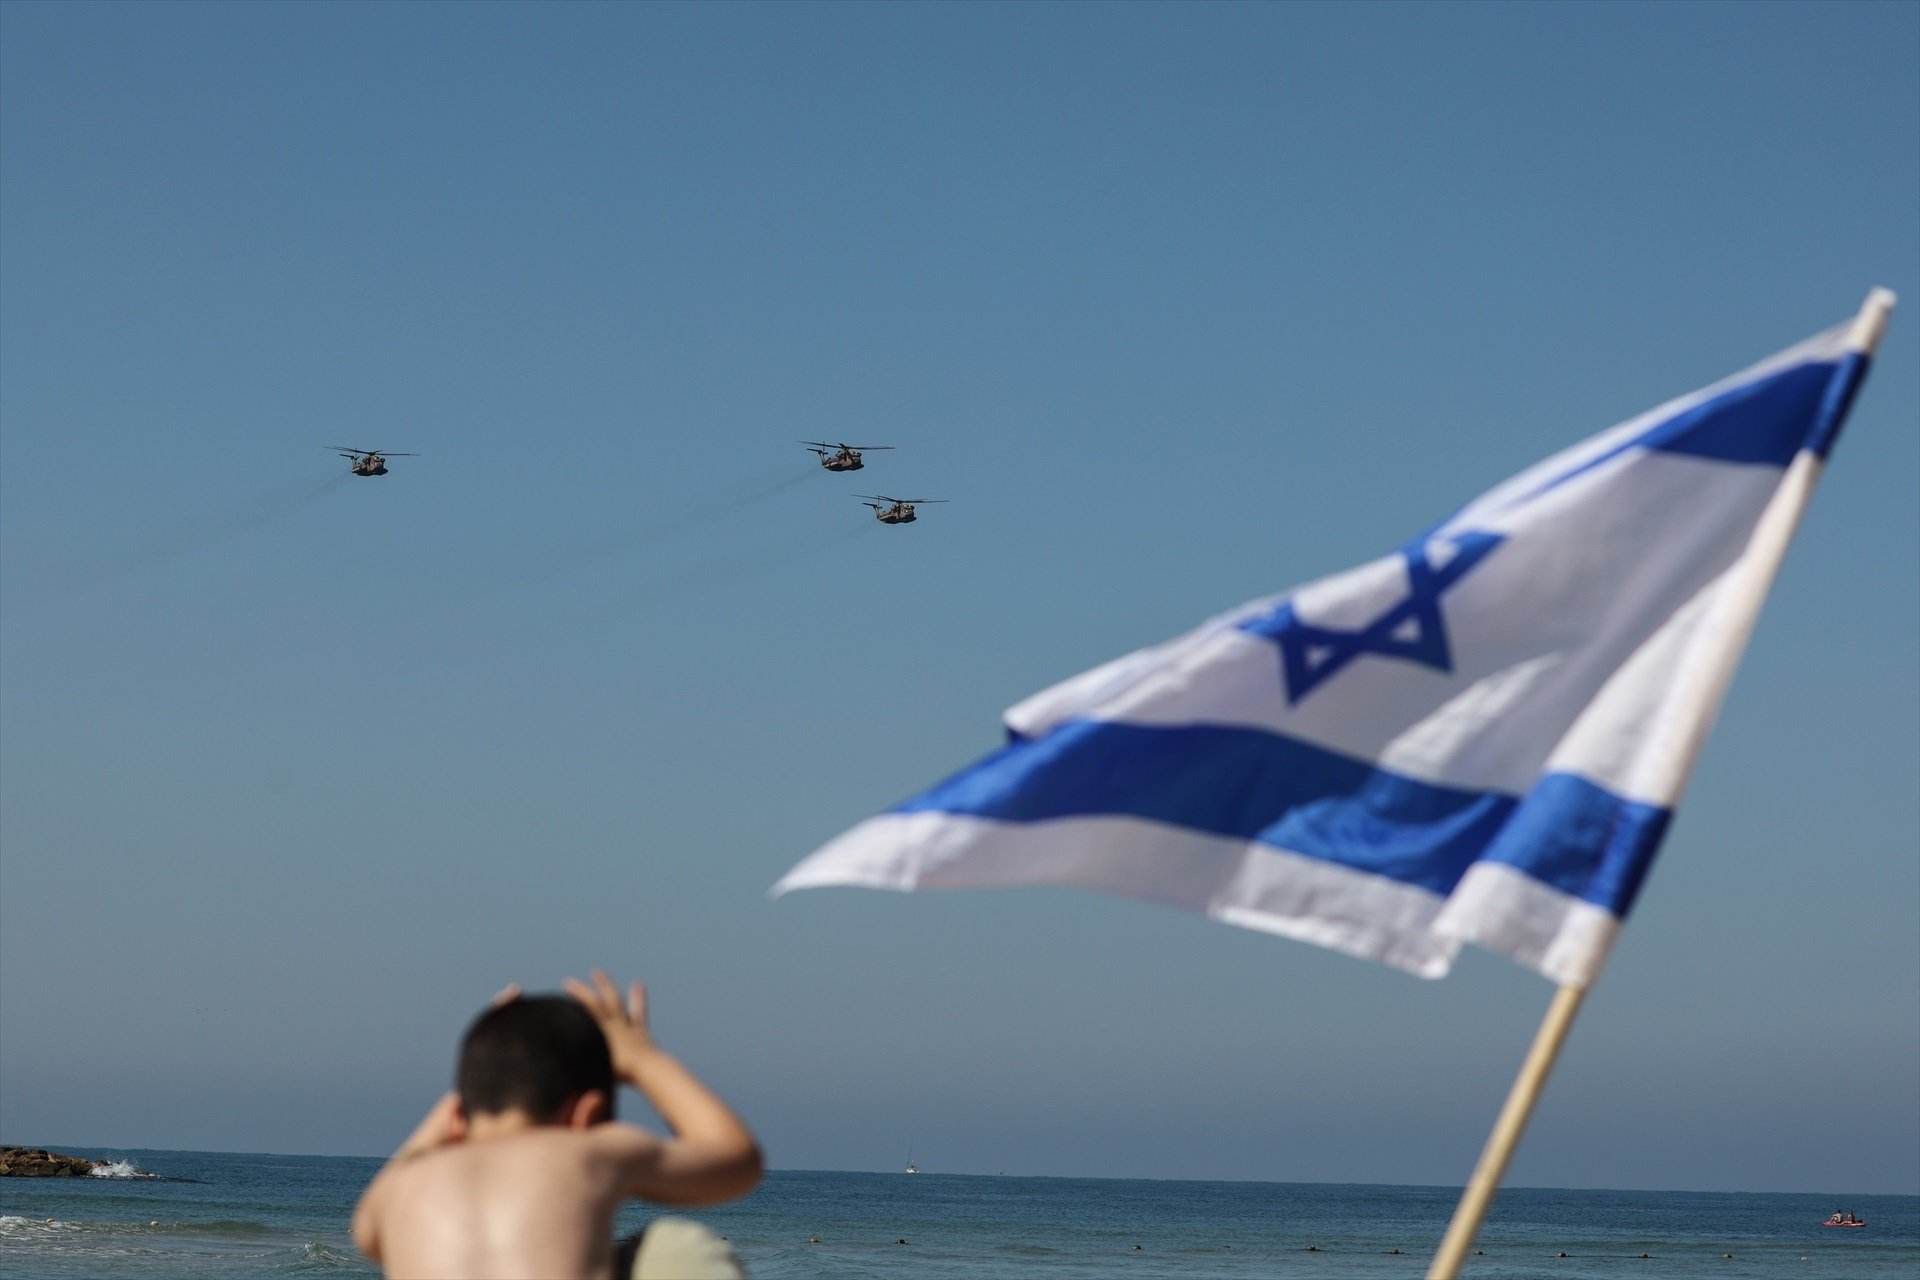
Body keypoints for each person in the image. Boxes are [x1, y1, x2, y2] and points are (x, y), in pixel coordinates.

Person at [352, 972, 762, 1279]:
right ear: (586, 1115)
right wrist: (643, 1060)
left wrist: (475, 1084)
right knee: (674, 1248)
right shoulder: (587, 1152)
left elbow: (367, 1233)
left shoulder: (402, 1187)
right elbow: (736, 1158)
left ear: (456, 1115)